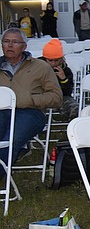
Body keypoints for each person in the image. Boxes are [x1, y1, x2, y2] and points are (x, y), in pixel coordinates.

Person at [0, 29, 62, 165]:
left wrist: (30, 100)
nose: (10, 45)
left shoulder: (41, 67)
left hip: (30, 112)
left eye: (15, 42)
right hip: (2, 112)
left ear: (24, 46)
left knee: (11, 139)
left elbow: (57, 97)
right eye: (6, 41)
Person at [39, 38, 78, 118]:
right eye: (50, 60)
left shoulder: (66, 71)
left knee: (75, 107)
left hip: (60, 97)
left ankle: (72, 128)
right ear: (45, 59)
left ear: (61, 59)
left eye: (56, 60)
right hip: (40, 97)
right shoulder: (36, 68)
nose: (53, 63)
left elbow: (68, 92)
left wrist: (63, 79)